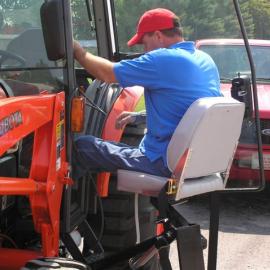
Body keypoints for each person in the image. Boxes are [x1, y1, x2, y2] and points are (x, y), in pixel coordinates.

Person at [73, 8, 221, 180]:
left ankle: (63, 205)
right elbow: (189, 109)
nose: (145, 50)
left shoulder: (163, 59)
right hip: (195, 161)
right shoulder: (204, 59)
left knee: (83, 147)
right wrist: (140, 116)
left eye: (144, 43)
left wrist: (77, 51)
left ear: (158, 36)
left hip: (162, 162)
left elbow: (107, 74)